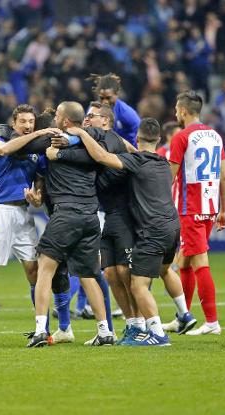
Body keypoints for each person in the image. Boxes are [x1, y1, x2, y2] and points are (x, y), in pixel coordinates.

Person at [54, 118, 180, 346]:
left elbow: (102, 157)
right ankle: (142, 325)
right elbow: (129, 151)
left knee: (135, 282)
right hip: (166, 226)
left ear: (138, 138)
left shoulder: (133, 162)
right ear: (158, 139)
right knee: (113, 274)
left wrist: (82, 135)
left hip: (147, 228)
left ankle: (155, 332)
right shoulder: (161, 162)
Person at [0, 105, 63, 348]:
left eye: (31, 122)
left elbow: (39, 188)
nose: (28, 125)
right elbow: (7, 149)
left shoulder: (36, 154)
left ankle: (43, 330)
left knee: (34, 273)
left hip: (23, 213)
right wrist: (39, 134)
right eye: (23, 122)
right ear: (14, 123)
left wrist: (37, 199)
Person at [27, 101, 118, 348]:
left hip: (67, 212)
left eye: (57, 114)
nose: (54, 117)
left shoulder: (55, 139)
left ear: (66, 121)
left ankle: (39, 330)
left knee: (45, 267)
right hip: (90, 215)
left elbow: (24, 146)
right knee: (89, 275)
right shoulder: (93, 144)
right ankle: (105, 331)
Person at [168, 91, 225, 335]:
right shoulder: (215, 136)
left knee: (199, 262)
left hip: (190, 208)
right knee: (184, 259)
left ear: (183, 111)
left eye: (176, 108)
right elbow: (224, 176)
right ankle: (183, 316)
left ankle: (212, 322)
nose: (175, 112)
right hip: (209, 207)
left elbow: (169, 177)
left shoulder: (182, 137)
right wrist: (223, 210)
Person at [89, 73, 140, 147]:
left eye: (108, 98)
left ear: (117, 94)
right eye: (101, 98)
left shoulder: (127, 113)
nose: (105, 102)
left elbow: (140, 136)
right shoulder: (93, 110)